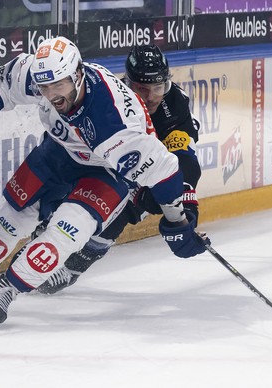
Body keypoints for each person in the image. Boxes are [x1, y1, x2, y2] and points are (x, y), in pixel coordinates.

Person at [0, 36, 208, 329]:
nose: (52, 95)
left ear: (77, 75)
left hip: (106, 172)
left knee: (68, 232)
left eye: (59, 86)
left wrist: (177, 219)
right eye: (45, 88)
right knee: (12, 217)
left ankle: (9, 288)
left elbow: (167, 167)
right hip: (59, 152)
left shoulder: (114, 122)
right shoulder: (47, 73)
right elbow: (3, 80)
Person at [37, 44, 202, 294]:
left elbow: (184, 158)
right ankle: (45, 234)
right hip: (97, 163)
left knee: (128, 209)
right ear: (128, 82)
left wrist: (185, 209)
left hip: (145, 170)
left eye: (158, 87)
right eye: (141, 89)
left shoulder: (175, 103)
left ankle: (73, 267)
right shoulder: (108, 96)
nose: (150, 97)